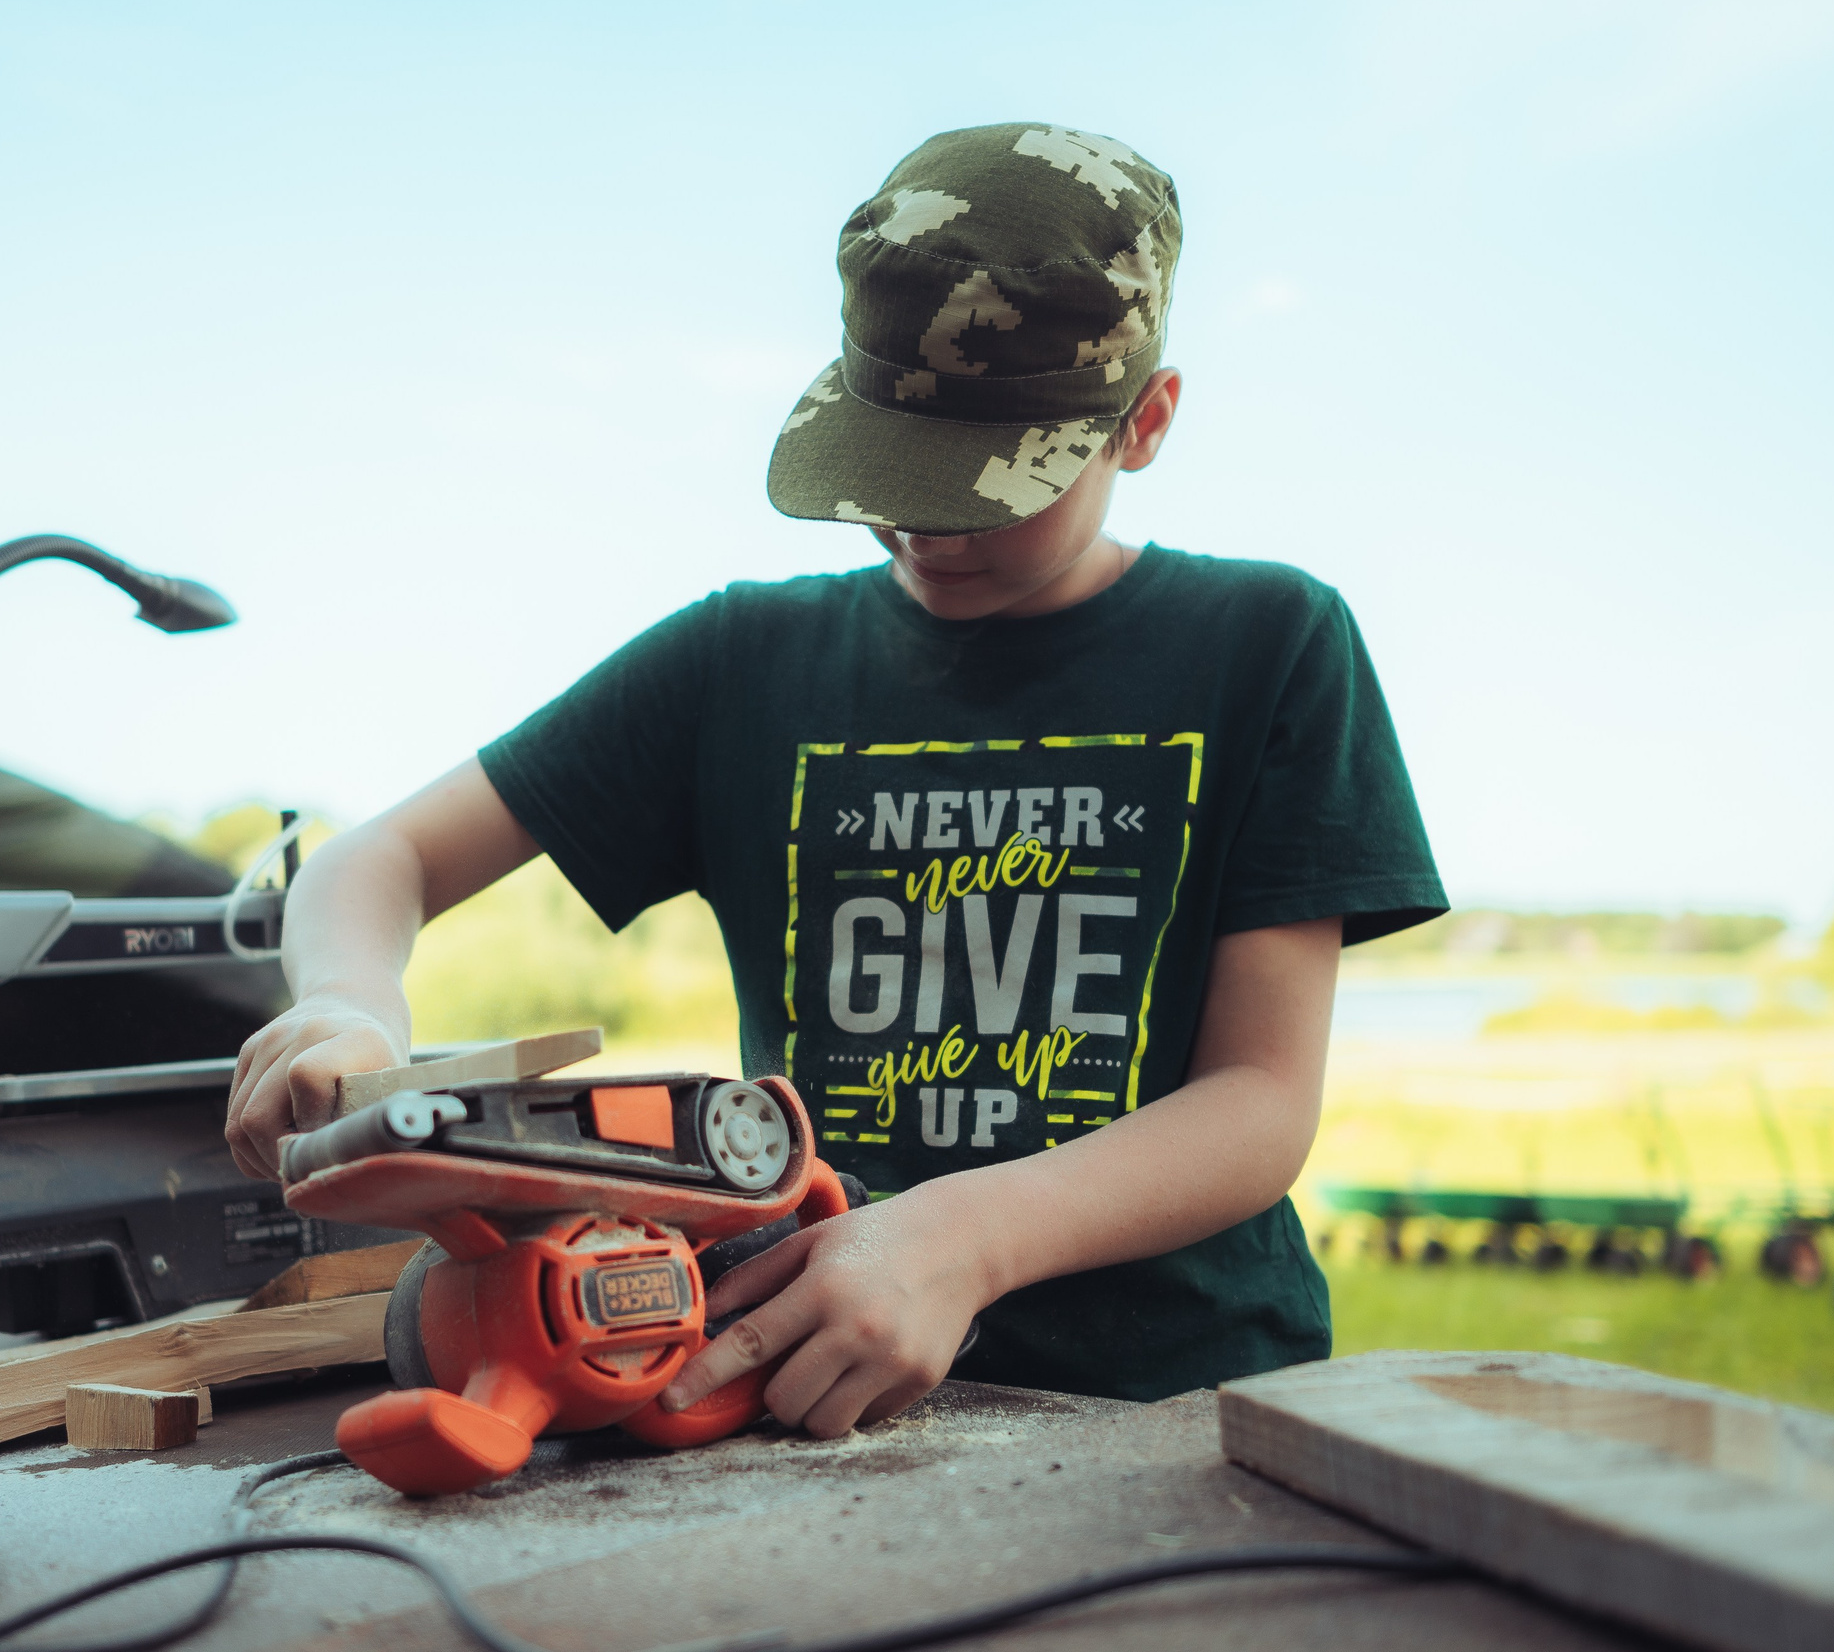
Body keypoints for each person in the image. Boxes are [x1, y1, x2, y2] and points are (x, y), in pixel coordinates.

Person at [226, 123, 1445, 1437]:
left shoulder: (1266, 644)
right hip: (815, 1395)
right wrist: (347, 1007)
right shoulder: (741, 660)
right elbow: (381, 858)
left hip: (1179, 1395)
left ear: (1142, 424)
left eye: (990, 485)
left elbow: (1261, 1100)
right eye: (893, 470)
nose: (925, 528)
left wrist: (965, 1237)